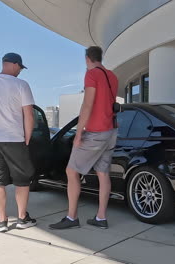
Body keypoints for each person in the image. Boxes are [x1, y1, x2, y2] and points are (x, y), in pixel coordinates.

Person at [49, 46, 118, 230]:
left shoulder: (92, 74)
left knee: (71, 171)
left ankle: (72, 218)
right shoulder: (112, 76)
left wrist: (78, 133)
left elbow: (87, 104)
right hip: (111, 131)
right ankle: (101, 217)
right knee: (103, 174)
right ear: (100, 57)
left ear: (87, 58)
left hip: (96, 131)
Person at [0, 53, 36, 232]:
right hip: (14, 139)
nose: (20, 70)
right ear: (13, 64)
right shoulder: (21, 85)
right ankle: (21, 218)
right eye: (19, 67)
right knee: (22, 180)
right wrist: (27, 137)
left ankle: (2, 222)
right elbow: (29, 115)